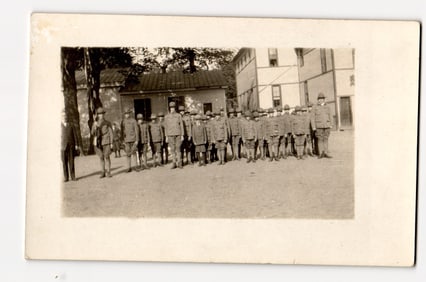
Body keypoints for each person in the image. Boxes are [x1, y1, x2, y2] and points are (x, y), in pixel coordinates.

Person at [91, 107, 114, 178]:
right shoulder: (95, 123)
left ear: (104, 115)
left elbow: (111, 133)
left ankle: (109, 172)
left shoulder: (107, 123)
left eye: (102, 114)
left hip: (106, 141)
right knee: (101, 157)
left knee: (107, 156)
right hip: (98, 142)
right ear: (97, 115)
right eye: (99, 114)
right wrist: (94, 127)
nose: (101, 115)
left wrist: (111, 143)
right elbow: (92, 133)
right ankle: (103, 172)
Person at [311, 92, 333, 158]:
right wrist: (314, 127)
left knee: (326, 139)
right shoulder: (315, 107)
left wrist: (331, 124)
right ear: (318, 99)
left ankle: (326, 153)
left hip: (326, 125)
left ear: (324, 99)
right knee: (320, 139)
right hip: (319, 126)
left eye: (322, 98)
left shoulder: (328, 106)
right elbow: (312, 117)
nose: (321, 100)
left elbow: (330, 116)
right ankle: (321, 153)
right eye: (319, 99)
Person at [165, 102, 184, 169]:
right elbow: (166, 127)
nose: (172, 109)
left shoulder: (178, 115)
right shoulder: (166, 116)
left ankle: (179, 163)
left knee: (178, 149)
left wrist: (182, 135)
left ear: (175, 108)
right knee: (172, 150)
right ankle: (174, 163)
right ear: (169, 108)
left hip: (178, 134)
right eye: (171, 108)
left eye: (173, 107)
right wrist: (166, 136)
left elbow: (181, 125)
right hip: (170, 135)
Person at [61, 111, 79, 182]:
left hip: (71, 146)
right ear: (61, 117)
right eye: (63, 116)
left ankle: (73, 176)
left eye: (65, 116)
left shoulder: (71, 125)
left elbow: (75, 135)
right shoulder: (58, 126)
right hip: (62, 147)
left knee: (71, 161)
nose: (65, 117)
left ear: (67, 117)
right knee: (64, 162)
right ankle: (66, 177)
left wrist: (77, 144)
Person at [121, 108, 139, 172]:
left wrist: (137, 140)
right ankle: (129, 167)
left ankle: (136, 166)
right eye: (125, 114)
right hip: (126, 140)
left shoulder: (133, 121)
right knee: (128, 154)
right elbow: (122, 132)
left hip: (133, 139)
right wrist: (122, 140)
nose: (127, 115)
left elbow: (136, 131)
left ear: (130, 114)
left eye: (128, 113)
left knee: (134, 153)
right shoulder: (123, 121)